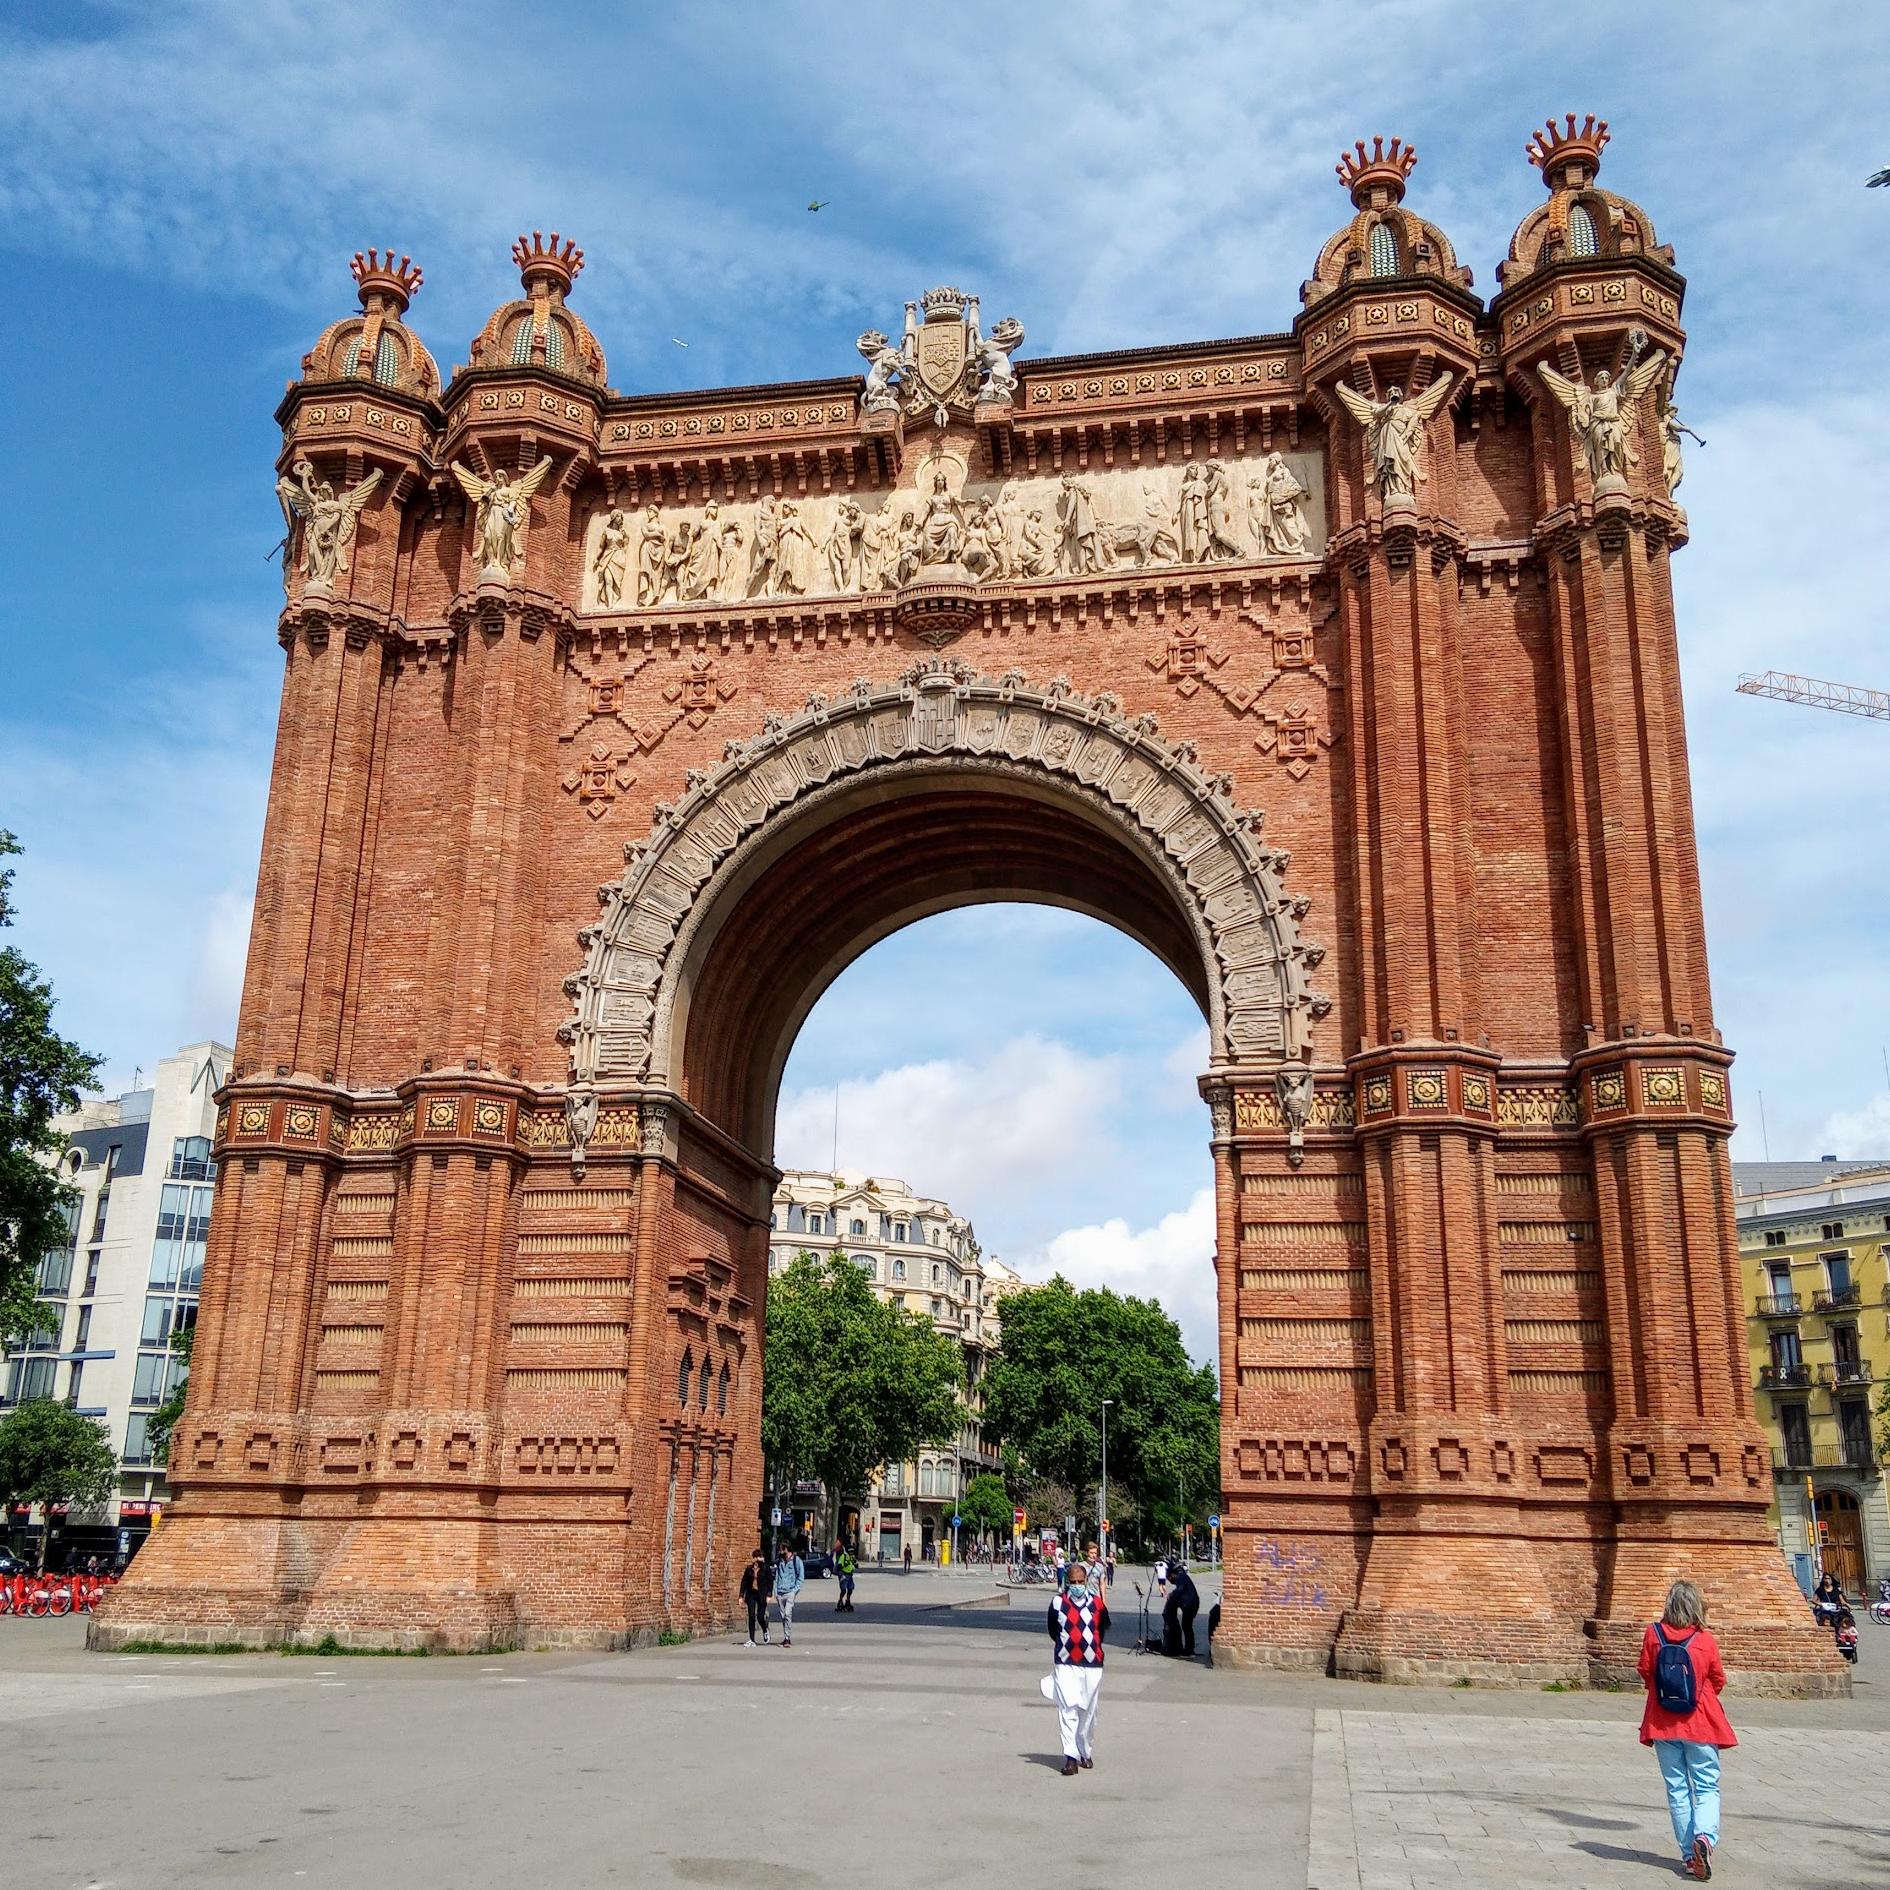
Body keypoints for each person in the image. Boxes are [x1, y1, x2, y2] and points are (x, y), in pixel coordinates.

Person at [1637, 1578, 1736, 1880]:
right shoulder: (1705, 1639)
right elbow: (1718, 1678)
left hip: (1663, 1721)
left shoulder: (1653, 1635)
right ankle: (1704, 1838)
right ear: (1697, 1607)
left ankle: (1688, 1855)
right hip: (1701, 1721)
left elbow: (1645, 1671)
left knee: (1677, 1789)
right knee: (1706, 1785)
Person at [1048, 1559, 1110, 1776]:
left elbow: (1102, 1630)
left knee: (1088, 1712)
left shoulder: (1097, 1604)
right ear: (1067, 1582)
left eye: (1080, 1581)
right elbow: (1053, 1630)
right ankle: (1070, 1757)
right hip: (1065, 1663)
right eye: (1073, 1581)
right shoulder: (1057, 1603)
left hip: (1092, 1665)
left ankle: (1085, 1751)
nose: (1076, 1585)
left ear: (1086, 1581)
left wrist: (1088, 1646)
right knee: (1068, 1709)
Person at [1163, 1557, 1201, 1657]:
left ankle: (1189, 1649)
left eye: (1170, 1578)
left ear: (1172, 1574)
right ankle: (1188, 1648)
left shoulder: (1180, 1577)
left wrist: (1171, 1594)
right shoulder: (1182, 1576)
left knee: (1186, 1626)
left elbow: (1179, 1590)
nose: (1170, 1581)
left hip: (1190, 1604)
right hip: (1190, 1603)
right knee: (1187, 1626)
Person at [739, 1548, 772, 1647]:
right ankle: (752, 1639)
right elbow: (744, 1582)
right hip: (751, 1594)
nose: (760, 1559)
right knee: (751, 1616)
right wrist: (741, 1596)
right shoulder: (749, 1569)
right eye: (758, 1557)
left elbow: (770, 1582)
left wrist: (769, 1594)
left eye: (761, 1557)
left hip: (761, 1594)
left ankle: (765, 1629)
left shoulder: (765, 1568)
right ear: (754, 1558)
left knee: (760, 1616)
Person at [774, 1541, 804, 1647]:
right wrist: (776, 1592)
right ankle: (786, 1637)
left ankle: (787, 1638)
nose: (780, 1551)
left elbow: (801, 1577)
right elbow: (777, 1576)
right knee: (783, 1616)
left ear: (786, 1549)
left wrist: (794, 1590)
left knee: (787, 1613)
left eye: (781, 1549)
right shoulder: (780, 1561)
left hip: (790, 1591)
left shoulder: (796, 1560)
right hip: (780, 1592)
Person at [835, 1541, 856, 1614]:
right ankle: (840, 1601)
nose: (851, 1552)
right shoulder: (843, 1556)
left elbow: (855, 1564)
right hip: (844, 1575)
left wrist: (855, 1565)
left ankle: (848, 1600)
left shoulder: (851, 1557)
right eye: (850, 1550)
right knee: (843, 1590)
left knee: (850, 1589)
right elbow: (839, 1566)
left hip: (850, 1575)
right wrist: (841, 1575)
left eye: (852, 1551)